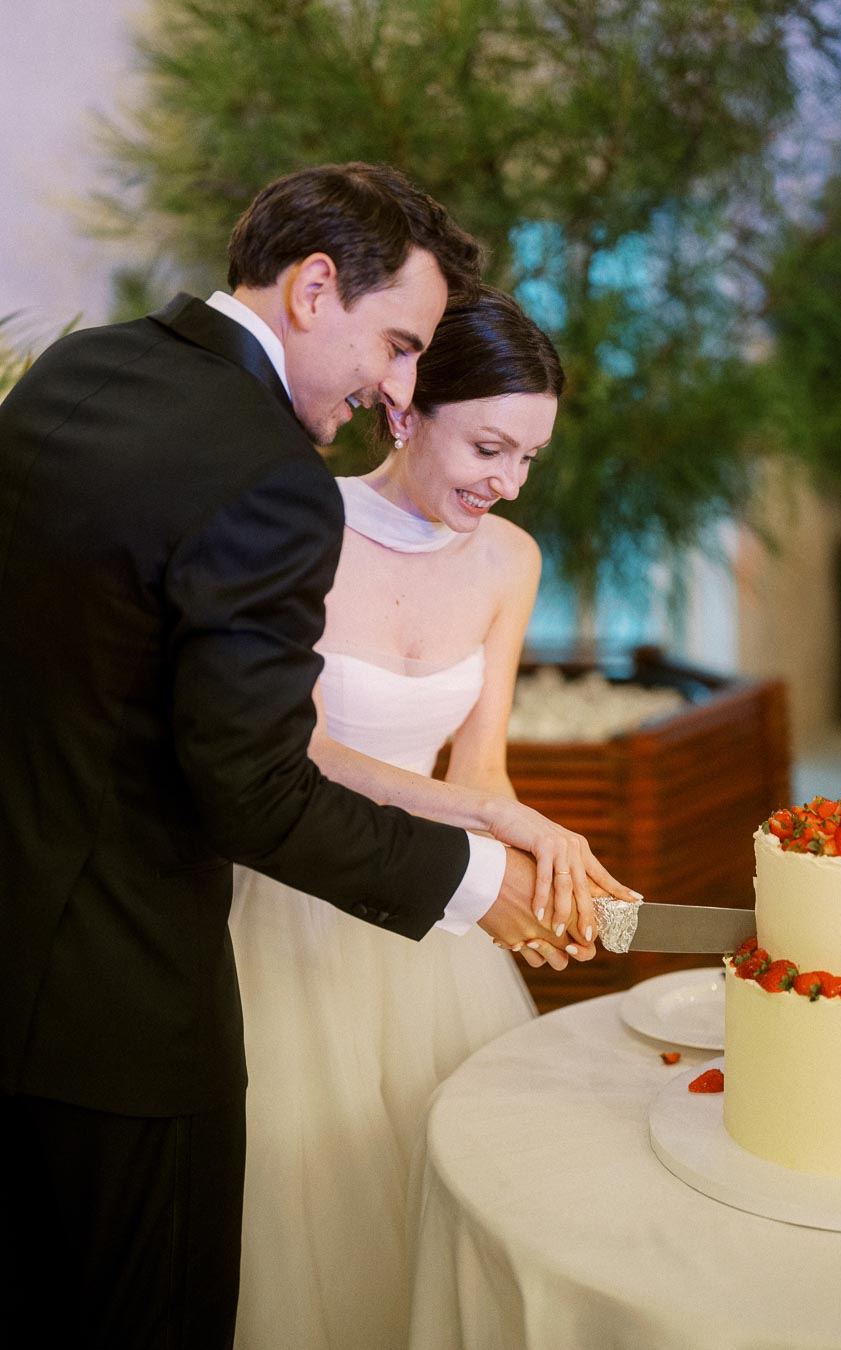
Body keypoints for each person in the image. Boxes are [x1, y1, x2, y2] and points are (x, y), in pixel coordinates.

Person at [0, 163, 632, 1350]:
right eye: (396, 346)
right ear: (313, 286)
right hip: (143, 989)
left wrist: (495, 822)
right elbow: (254, 779)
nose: (395, 387)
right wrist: (477, 884)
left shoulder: (82, 371)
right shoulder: (275, 483)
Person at [230, 286, 634, 1349]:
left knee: (446, 1171)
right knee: (303, 1183)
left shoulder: (511, 561)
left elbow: (483, 761)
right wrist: (489, 821)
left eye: (529, 460)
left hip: (430, 910)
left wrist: (538, 863)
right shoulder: (299, 527)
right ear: (404, 408)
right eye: (489, 447)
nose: (505, 484)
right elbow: (300, 751)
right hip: (293, 896)